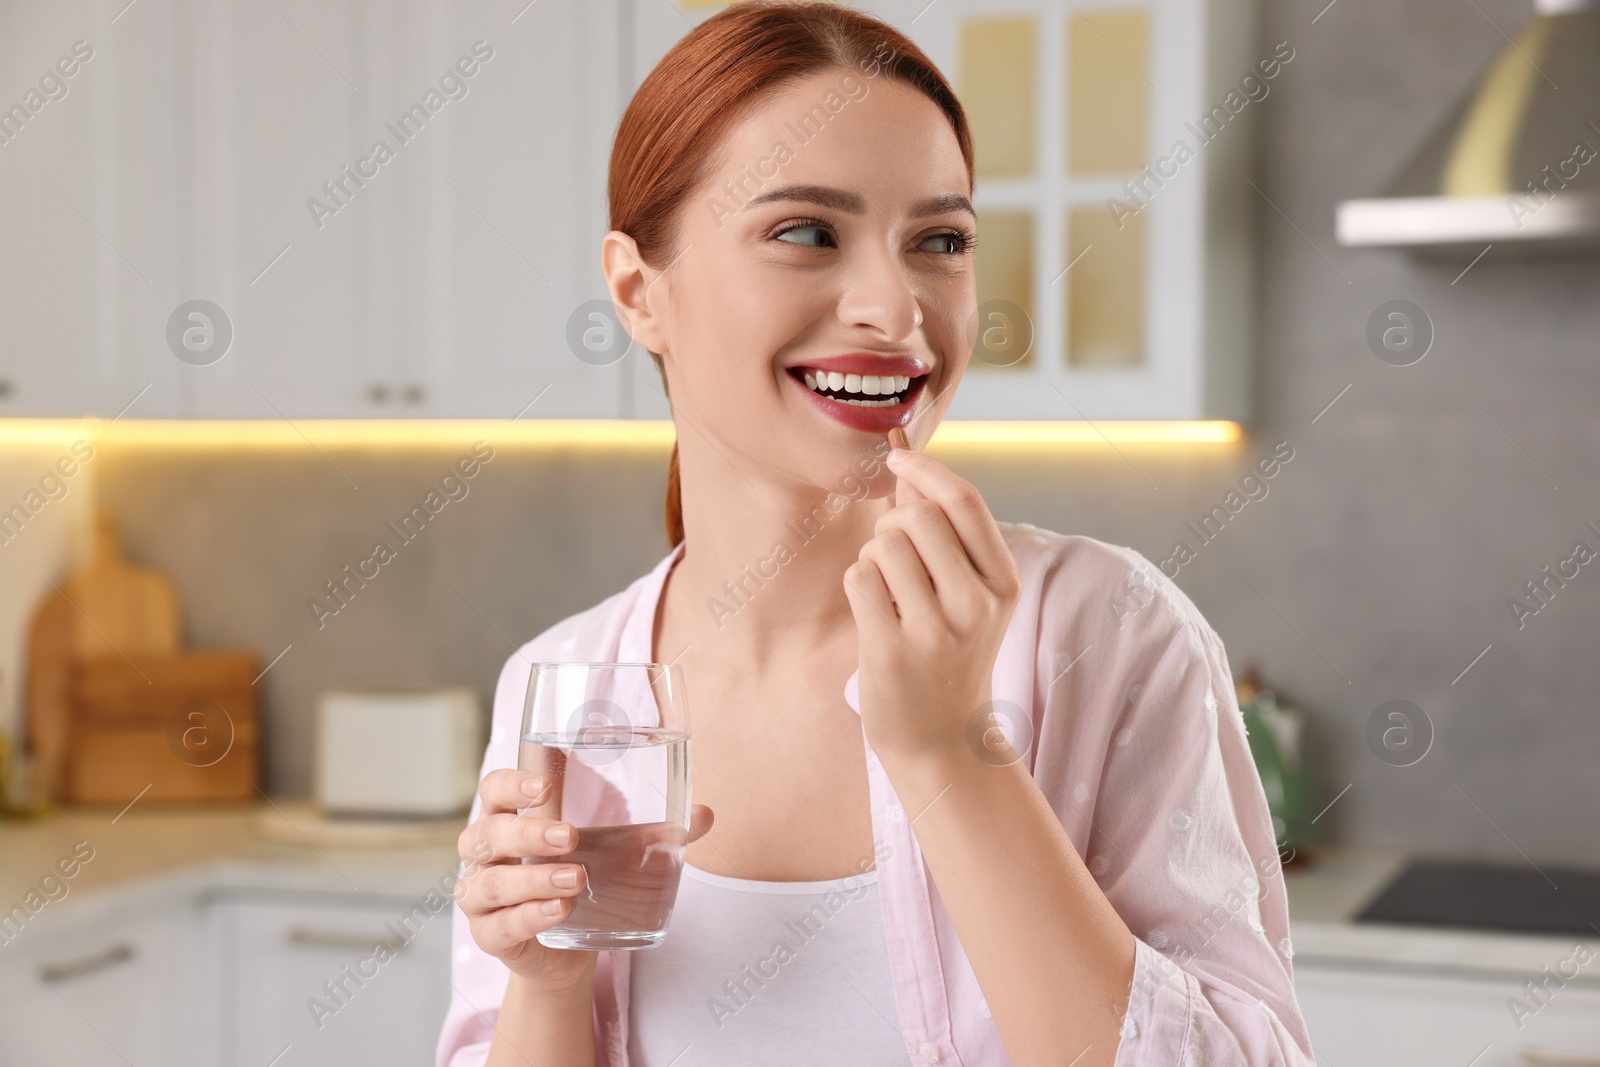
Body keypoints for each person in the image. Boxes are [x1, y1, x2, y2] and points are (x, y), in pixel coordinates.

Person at [437, 3, 1314, 1065]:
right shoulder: (568, 683)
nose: (894, 309)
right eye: (806, 231)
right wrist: (547, 976)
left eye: (938, 241)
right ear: (637, 290)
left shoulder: (1108, 633)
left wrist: (953, 750)